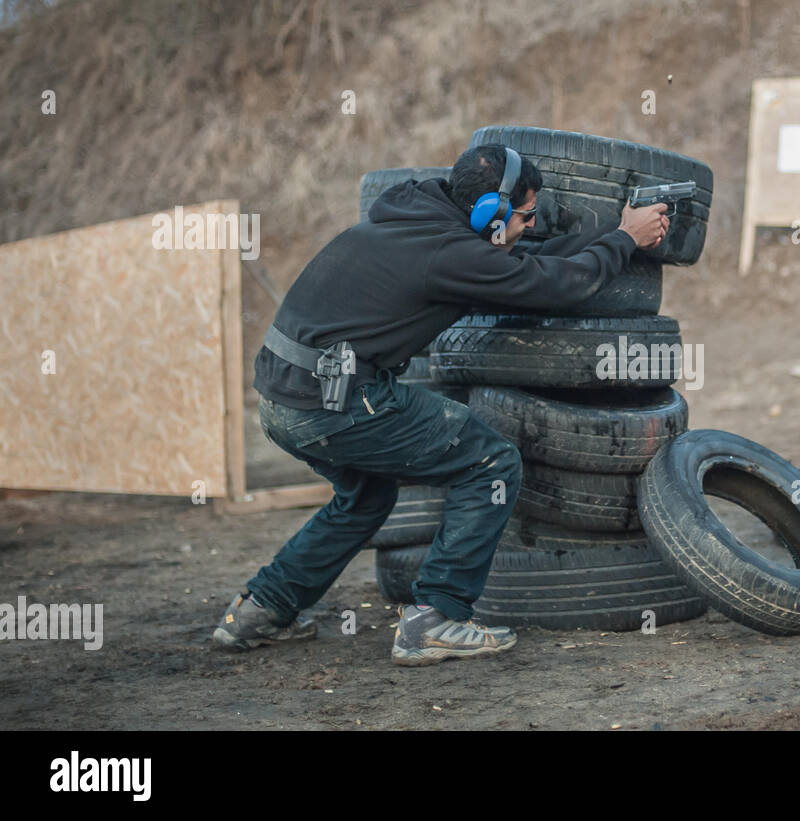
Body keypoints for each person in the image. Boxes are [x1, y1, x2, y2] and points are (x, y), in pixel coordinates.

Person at [212, 143, 670, 665]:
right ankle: (436, 618)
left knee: (366, 497)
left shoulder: (412, 222)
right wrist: (625, 241)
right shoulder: (450, 254)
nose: (529, 227)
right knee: (489, 462)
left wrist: (616, 232)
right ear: (490, 212)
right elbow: (557, 286)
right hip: (334, 404)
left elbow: (528, 261)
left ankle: (260, 610)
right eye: (525, 216)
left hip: (282, 401)